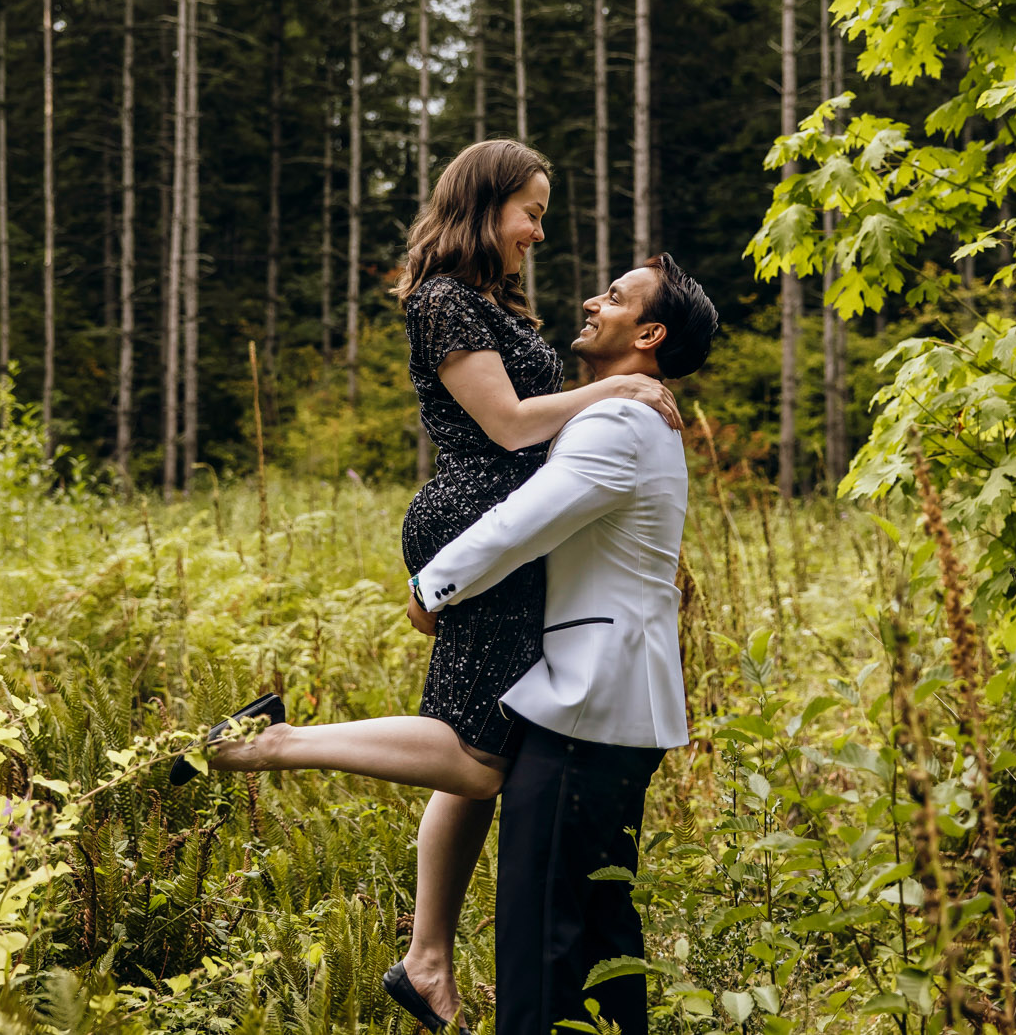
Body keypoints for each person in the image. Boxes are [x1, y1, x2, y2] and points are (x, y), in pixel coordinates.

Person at [178, 139, 681, 1031]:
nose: (537, 230)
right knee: (478, 756)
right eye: (530, 209)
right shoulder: (446, 301)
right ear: (485, 205)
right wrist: (623, 391)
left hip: (498, 525)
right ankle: (274, 744)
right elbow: (510, 421)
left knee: (481, 741)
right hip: (477, 520)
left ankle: (427, 957)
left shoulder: (488, 300)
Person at [409, 253, 718, 1035]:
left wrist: (430, 588)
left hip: (586, 707)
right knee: (601, 935)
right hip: (612, 709)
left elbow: (526, 522)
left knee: (541, 944)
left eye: (614, 297)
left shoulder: (618, 422)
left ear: (648, 333)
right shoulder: (628, 412)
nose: (591, 300)